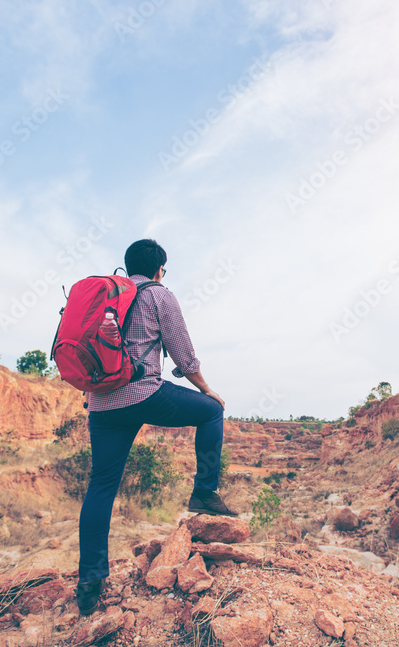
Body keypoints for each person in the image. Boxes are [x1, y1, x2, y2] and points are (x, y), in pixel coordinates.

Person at [75, 238, 235, 616]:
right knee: (211, 412)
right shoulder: (159, 295)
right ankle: (204, 492)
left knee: (100, 487)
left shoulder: (108, 297)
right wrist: (207, 388)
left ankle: (89, 581)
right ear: (160, 267)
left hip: (101, 404)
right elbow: (184, 353)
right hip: (143, 393)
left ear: (127, 266)